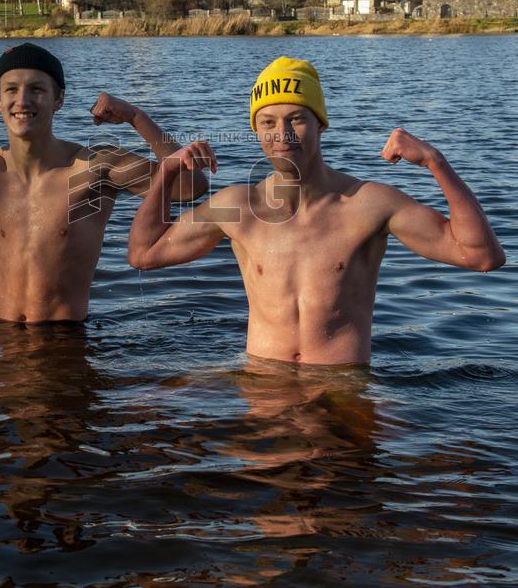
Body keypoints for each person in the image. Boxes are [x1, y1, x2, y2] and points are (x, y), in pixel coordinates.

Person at [127, 57, 506, 365]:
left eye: (297, 119)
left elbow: (481, 255)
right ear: (256, 130)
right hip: (263, 386)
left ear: (320, 124)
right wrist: (168, 171)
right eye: (268, 122)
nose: (283, 135)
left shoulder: (368, 205)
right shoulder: (237, 208)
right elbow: (144, 254)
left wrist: (435, 162)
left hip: (342, 388)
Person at [0, 42, 208, 323]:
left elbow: (192, 185)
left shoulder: (95, 167)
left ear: (58, 99)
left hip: (65, 340)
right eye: (12, 90)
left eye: (37, 89)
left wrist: (136, 117)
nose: (23, 101)